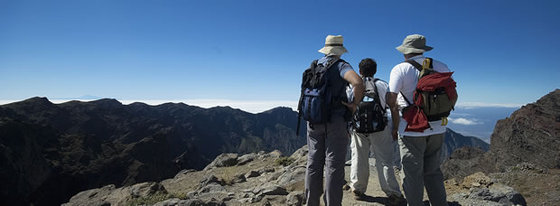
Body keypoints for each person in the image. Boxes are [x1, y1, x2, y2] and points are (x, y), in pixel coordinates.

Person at [387, 34, 450, 206]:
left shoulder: (400, 69)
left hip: (411, 129)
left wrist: (395, 124)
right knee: (433, 172)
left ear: (406, 51)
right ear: (422, 49)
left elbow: (391, 99)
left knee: (412, 174)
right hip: (438, 126)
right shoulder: (441, 66)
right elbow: (452, 95)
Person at [304, 35, 364, 206]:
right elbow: (358, 82)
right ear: (340, 50)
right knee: (334, 167)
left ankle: (311, 202)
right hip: (335, 121)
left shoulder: (315, 65)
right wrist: (354, 104)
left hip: (313, 119)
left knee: (313, 163)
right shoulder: (341, 66)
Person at [348, 58, 405, 204]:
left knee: (358, 157)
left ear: (359, 71)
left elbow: (348, 106)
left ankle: (358, 189)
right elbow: (393, 107)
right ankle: (392, 192)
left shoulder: (352, 85)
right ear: (375, 70)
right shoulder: (383, 85)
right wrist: (395, 128)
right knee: (385, 160)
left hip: (358, 128)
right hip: (380, 128)